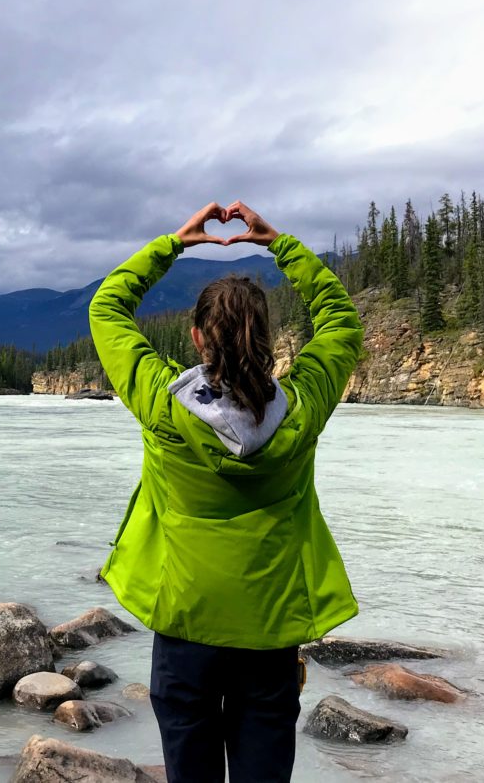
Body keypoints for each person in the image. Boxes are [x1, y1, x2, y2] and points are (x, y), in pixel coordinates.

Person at [89, 200, 364, 783]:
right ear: (270, 340)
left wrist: (174, 242)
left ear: (194, 337)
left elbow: (107, 307)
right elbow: (341, 321)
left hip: (186, 632)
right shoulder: (303, 408)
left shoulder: (164, 404)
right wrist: (279, 243)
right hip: (268, 639)